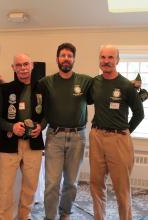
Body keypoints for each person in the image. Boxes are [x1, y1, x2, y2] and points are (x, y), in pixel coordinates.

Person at [89, 45, 144, 220]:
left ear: (117, 60)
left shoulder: (126, 86)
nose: (106, 61)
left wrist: (125, 131)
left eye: (111, 57)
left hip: (119, 139)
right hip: (96, 137)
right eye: (103, 57)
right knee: (96, 184)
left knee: (121, 188)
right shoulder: (95, 83)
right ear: (99, 60)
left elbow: (139, 113)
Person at [38, 42, 92, 220]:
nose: (66, 59)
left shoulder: (85, 81)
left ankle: (65, 213)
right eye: (63, 55)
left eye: (69, 56)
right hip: (55, 136)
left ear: (74, 59)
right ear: (57, 59)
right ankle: (50, 216)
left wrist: (129, 85)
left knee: (71, 183)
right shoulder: (47, 82)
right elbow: (29, 91)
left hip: (78, 137)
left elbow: (103, 91)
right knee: (52, 183)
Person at [0, 53, 45, 220]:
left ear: (32, 66)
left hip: (34, 144)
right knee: (5, 186)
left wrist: (41, 126)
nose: (23, 68)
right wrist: (11, 126)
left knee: (30, 186)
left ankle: (25, 216)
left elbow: (47, 115)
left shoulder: (42, 88)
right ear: (13, 68)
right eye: (19, 65)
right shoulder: (5, 89)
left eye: (26, 64)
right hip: (10, 143)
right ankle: (4, 217)